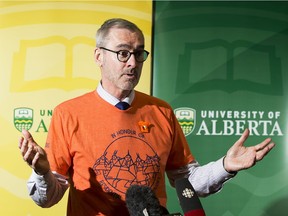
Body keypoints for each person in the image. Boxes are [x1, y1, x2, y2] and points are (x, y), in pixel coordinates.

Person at [18, 18, 275, 216]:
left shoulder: (162, 111)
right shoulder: (69, 113)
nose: (132, 62)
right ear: (99, 56)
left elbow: (187, 184)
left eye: (138, 53)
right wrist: (42, 173)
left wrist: (225, 167)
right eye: (122, 53)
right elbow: (47, 199)